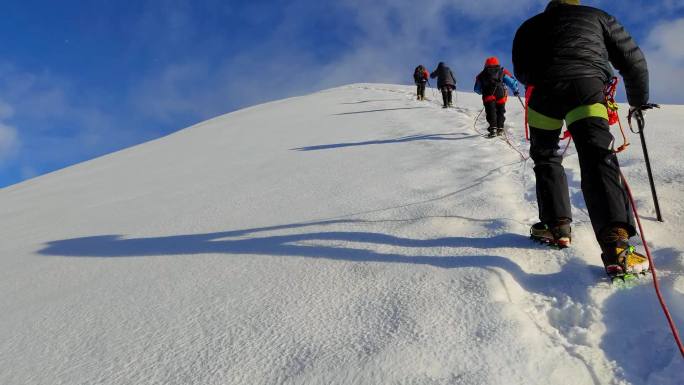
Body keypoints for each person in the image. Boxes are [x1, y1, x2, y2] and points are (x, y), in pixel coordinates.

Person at [512, 0, 650, 277]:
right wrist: (637, 102)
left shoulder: (529, 26)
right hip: (585, 88)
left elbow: (520, 70)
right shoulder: (597, 16)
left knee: (547, 157)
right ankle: (617, 245)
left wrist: (545, 75)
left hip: (542, 96)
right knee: (596, 155)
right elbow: (632, 60)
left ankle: (556, 227)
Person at [474, 57, 520, 137]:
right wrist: (515, 90)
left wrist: (482, 91)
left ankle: (493, 129)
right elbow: (511, 82)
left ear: (486, 64)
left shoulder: (482, 74)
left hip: (488, 94)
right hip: (500, 94)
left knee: (491, 111)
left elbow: (476, 89)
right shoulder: (502, 71)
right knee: (500, 111)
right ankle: (500, 129)